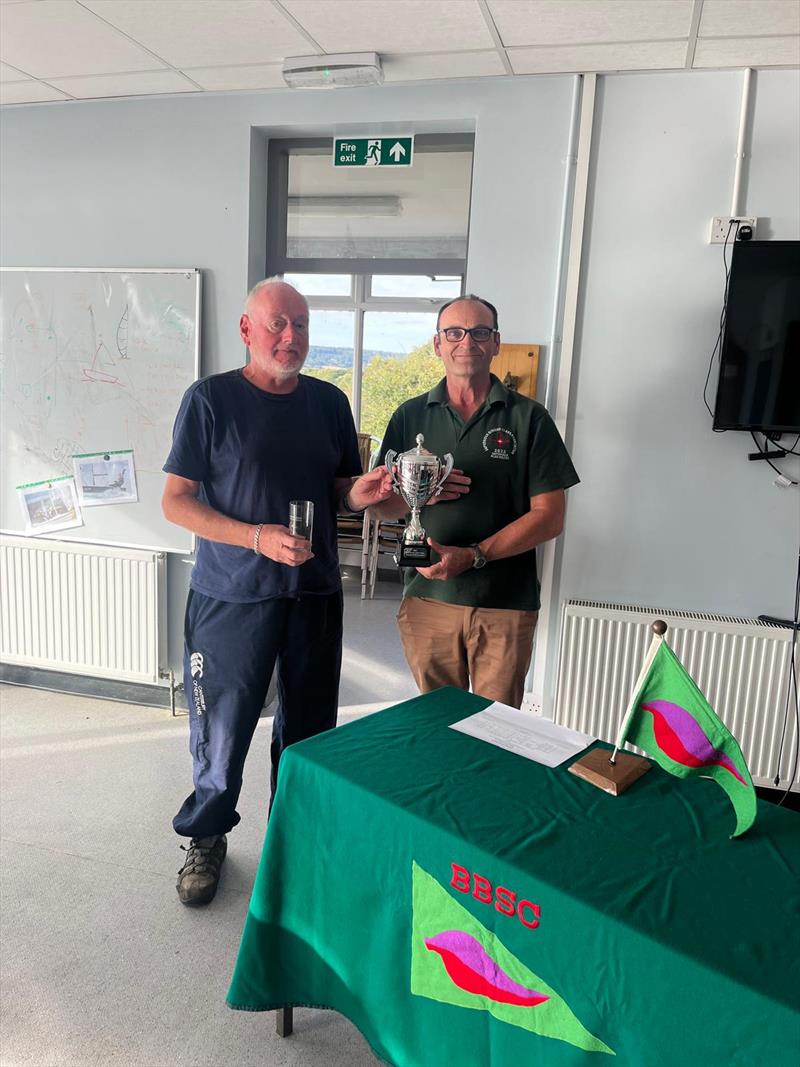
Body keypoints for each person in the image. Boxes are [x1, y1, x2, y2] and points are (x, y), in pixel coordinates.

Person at [162, 278, 393, 907]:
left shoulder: (328, 402)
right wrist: (254, 537)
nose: (291, 338)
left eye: (301, 325)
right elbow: (176, 502)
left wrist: (361, 495)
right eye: (277, 325)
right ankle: (207, 835)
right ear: (246, 330)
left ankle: (295, 838)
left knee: (311, 727)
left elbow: (342, 487)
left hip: (314, 591)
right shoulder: (209, 400)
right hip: (232, 596)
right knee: (223, 726)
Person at [373, 294, 579, 709]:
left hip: (504, 604)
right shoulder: (409, 416)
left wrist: (475, 555)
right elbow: (386, 508)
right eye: (454, 332)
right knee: (436, 724)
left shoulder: (529, 418)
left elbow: (550, 517)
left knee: (496, 732)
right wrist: (419, 494)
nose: (467, 341)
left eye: (479, 332)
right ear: (437, 344)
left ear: (496, 342)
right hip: (428, 599)